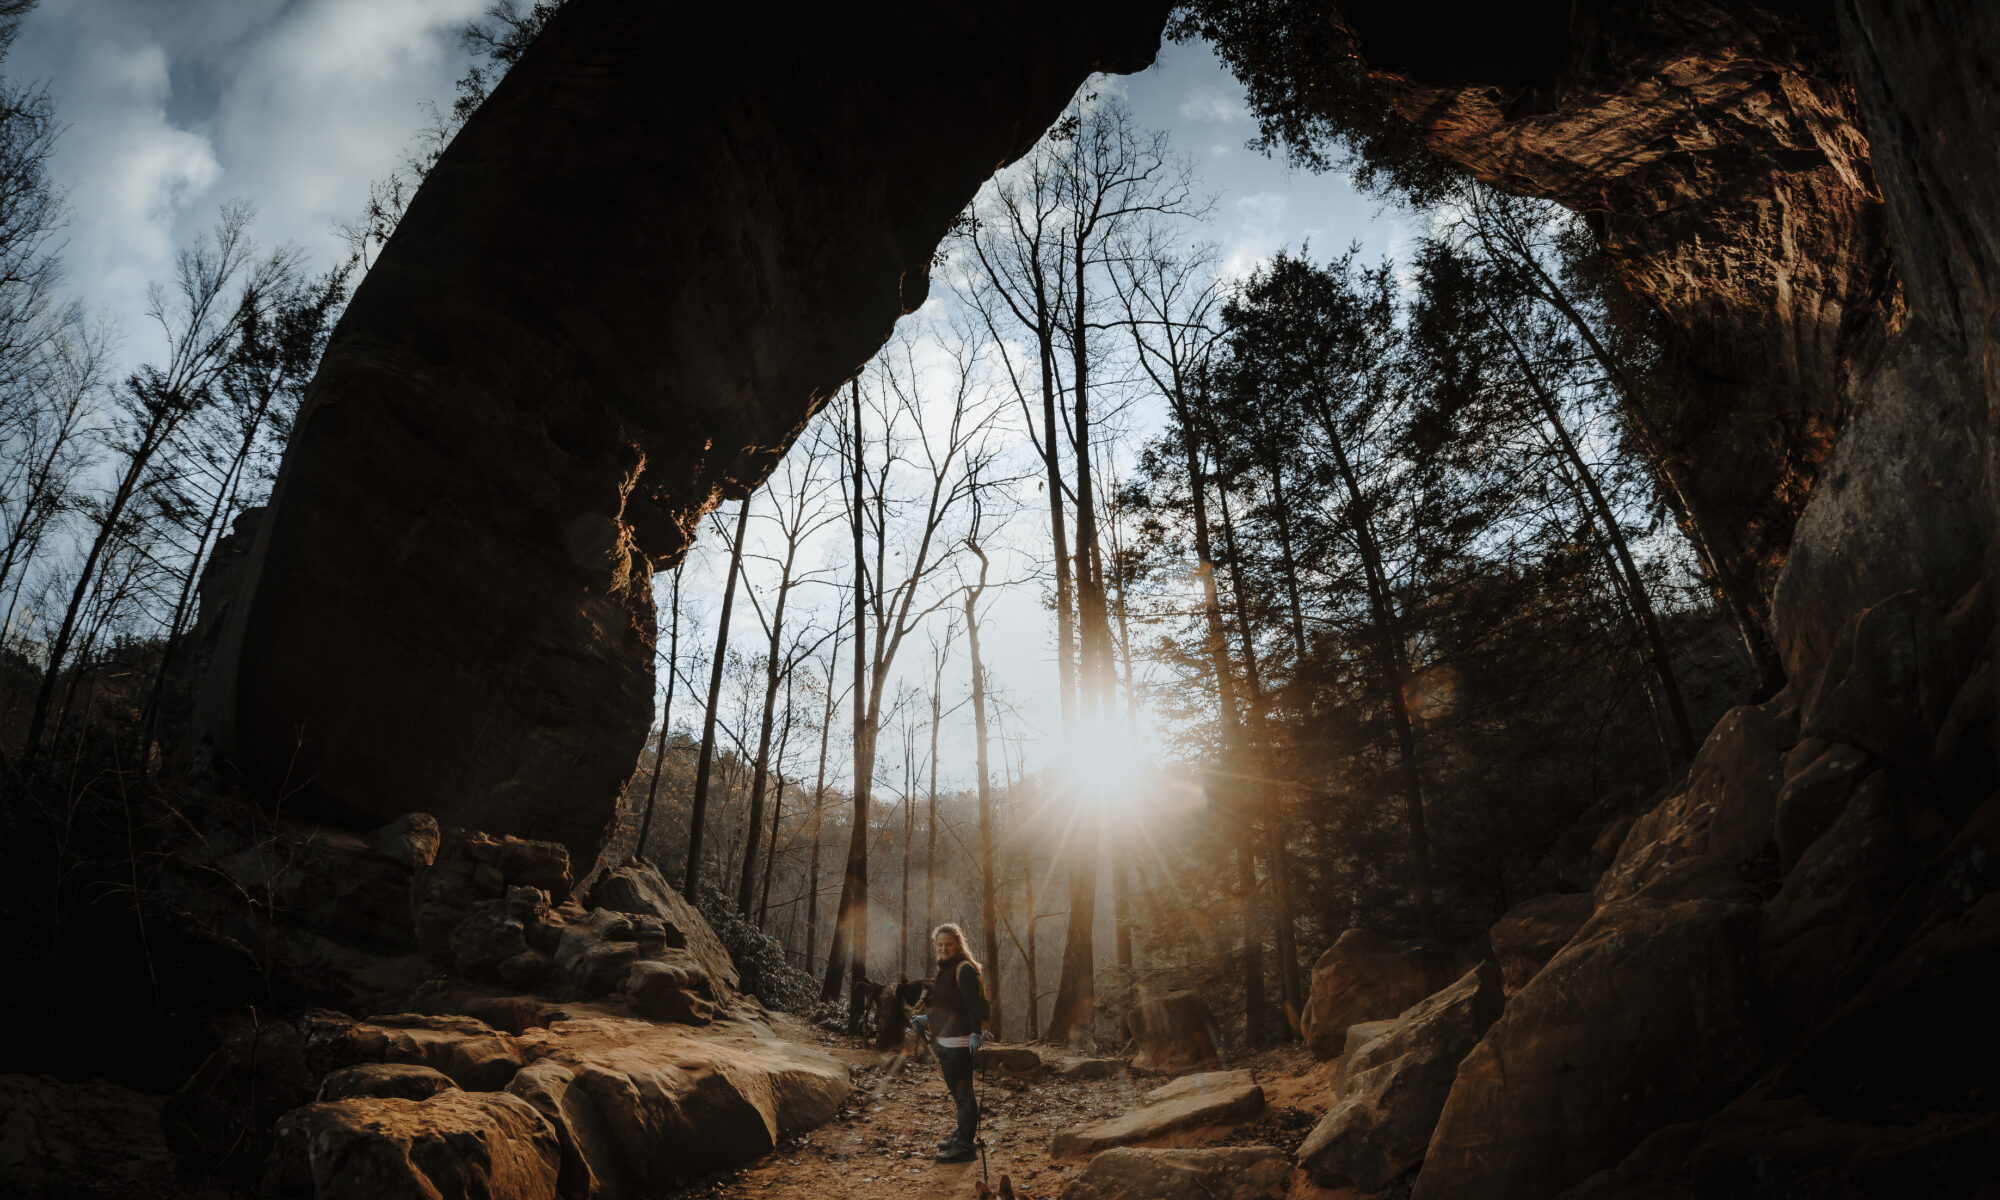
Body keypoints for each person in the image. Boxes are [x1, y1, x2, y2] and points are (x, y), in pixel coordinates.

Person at [910, 922, 985, 1163]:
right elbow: (947, 1006)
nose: (944, 948)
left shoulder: (964, 970)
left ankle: (965, 1146)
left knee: (964, 1095)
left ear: (958, 944)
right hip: (946, 1040)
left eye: (949, 944)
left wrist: (976, 1033)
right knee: (958, 1093)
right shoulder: (945, 969)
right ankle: (963, 1135)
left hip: (960, 1042)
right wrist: (928, 1018)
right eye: (940, 945)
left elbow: (973, 1006)